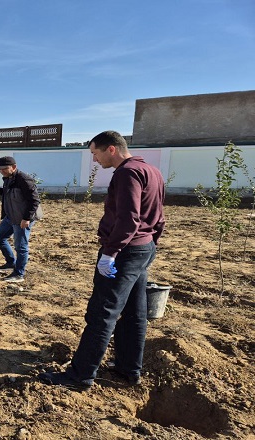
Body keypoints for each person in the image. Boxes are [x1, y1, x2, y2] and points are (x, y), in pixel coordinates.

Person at [38, 130, 165, 390]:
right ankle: (128, 370)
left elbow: (128, 219)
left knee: (102, 313)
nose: (95, 160)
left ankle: (80, 376)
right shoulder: (152, 171)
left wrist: (110, 252)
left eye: (95, 153)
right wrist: (151, 244)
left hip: (125, 252)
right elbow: (159, 215)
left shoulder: (127, 173)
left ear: (111, 149)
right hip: (143, 248)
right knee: (134, 312)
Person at [0, 156, 43, 283]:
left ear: (14, 167)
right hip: (10, 216)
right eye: (0, 169)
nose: (2, 171)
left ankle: (19, 274)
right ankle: (11, 262)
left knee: (21, 246)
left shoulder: (24, 179)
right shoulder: (8, 179)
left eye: (5, 168)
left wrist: (26, 218)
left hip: (22, 218)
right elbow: (6, 192)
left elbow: (34, 200)